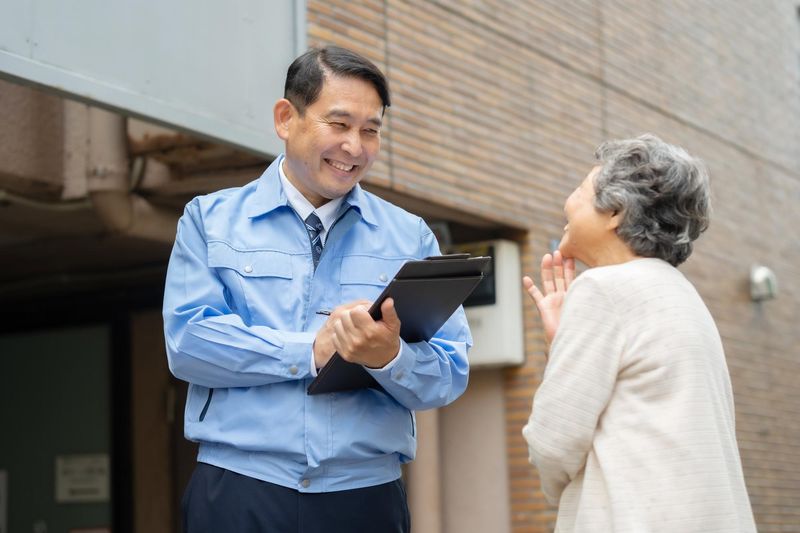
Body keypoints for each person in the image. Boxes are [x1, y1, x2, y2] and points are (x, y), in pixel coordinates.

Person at [163, 45, 470, 533]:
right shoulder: (210, 220)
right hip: (240, 488)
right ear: (286, 118)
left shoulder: (410, 237)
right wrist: (313, 349)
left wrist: (390, 357)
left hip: (365, 497)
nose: (355, 146)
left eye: (371, 130)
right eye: (340, 124)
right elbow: (189, 344)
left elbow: (451, 372)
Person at [521, 134, 757, 532]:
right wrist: (561, 344)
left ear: (614, 211)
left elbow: (553, 444)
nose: (569, 202)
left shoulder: (603, 290)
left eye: (580, 190)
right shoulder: (682, 295)